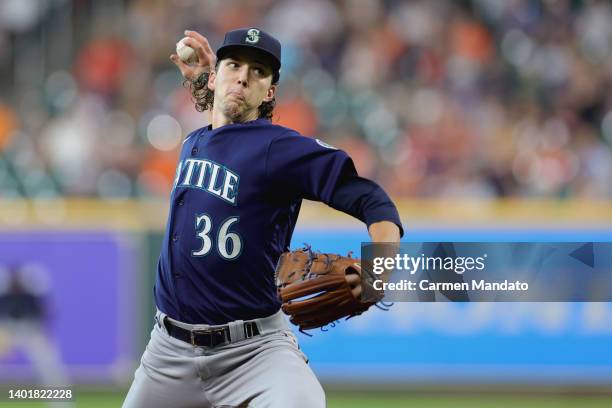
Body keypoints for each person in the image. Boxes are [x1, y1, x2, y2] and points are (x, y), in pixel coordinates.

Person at [123, 27, 403, 408]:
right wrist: (208, 83)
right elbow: (224, 122)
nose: (243, 75)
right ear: (216, 75)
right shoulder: (194, 141)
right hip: (167, 352)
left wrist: (380, 269)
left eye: (258, 71)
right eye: (233, 65)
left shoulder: (279, 149)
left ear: (269, 91)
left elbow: (374, 201)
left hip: (253, 352)